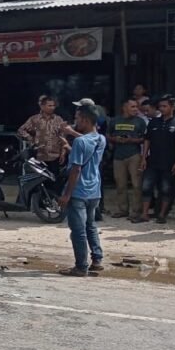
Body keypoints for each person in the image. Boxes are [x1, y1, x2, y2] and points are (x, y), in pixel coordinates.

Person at [58, 104, 106, 277]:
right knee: (90, 226)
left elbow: (76, 169)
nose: (76, 122)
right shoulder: (101, 139)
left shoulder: (79, 141)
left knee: (78, 231)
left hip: (79, 191)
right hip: (95, 190)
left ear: (85, 120)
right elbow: (88, 154)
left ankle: (81, 266)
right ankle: (97, 259)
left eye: (78, 119)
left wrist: (66, 195)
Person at [138, 94, 175, 224]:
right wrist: (143, 158)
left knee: (166, 189)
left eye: (165, 106)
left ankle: (162, 215)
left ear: (173, 107)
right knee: (146, 187)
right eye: (160, 106)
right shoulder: (154, 122)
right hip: (152, 161)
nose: (162, 108)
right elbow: (147, 140)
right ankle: (144, 214)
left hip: (169, 163)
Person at [107, 98, 146, 220]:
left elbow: (144, 139)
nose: (136, 109)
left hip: (134, 155)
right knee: (120, 184)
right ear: (124, 108)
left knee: (136, 184)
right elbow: (108, 135)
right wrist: (115, 139)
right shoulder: (114, 121)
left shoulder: (140, 121)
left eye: (136, 107)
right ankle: (122, 210)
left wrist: (131, 140)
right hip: (118, 156)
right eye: (133, 107)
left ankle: (136, 211)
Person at [17, 96, 69, 176]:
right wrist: (31, 139)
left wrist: (63, 152)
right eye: (49, 106)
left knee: (53, 181)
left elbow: (63, 136)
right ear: (42, 106)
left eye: (53, 106)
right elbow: (21, 130)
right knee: (40, 182)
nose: (52, 108)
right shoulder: (35, 119)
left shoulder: (58, 119)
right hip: (39, 156)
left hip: (55, 156)